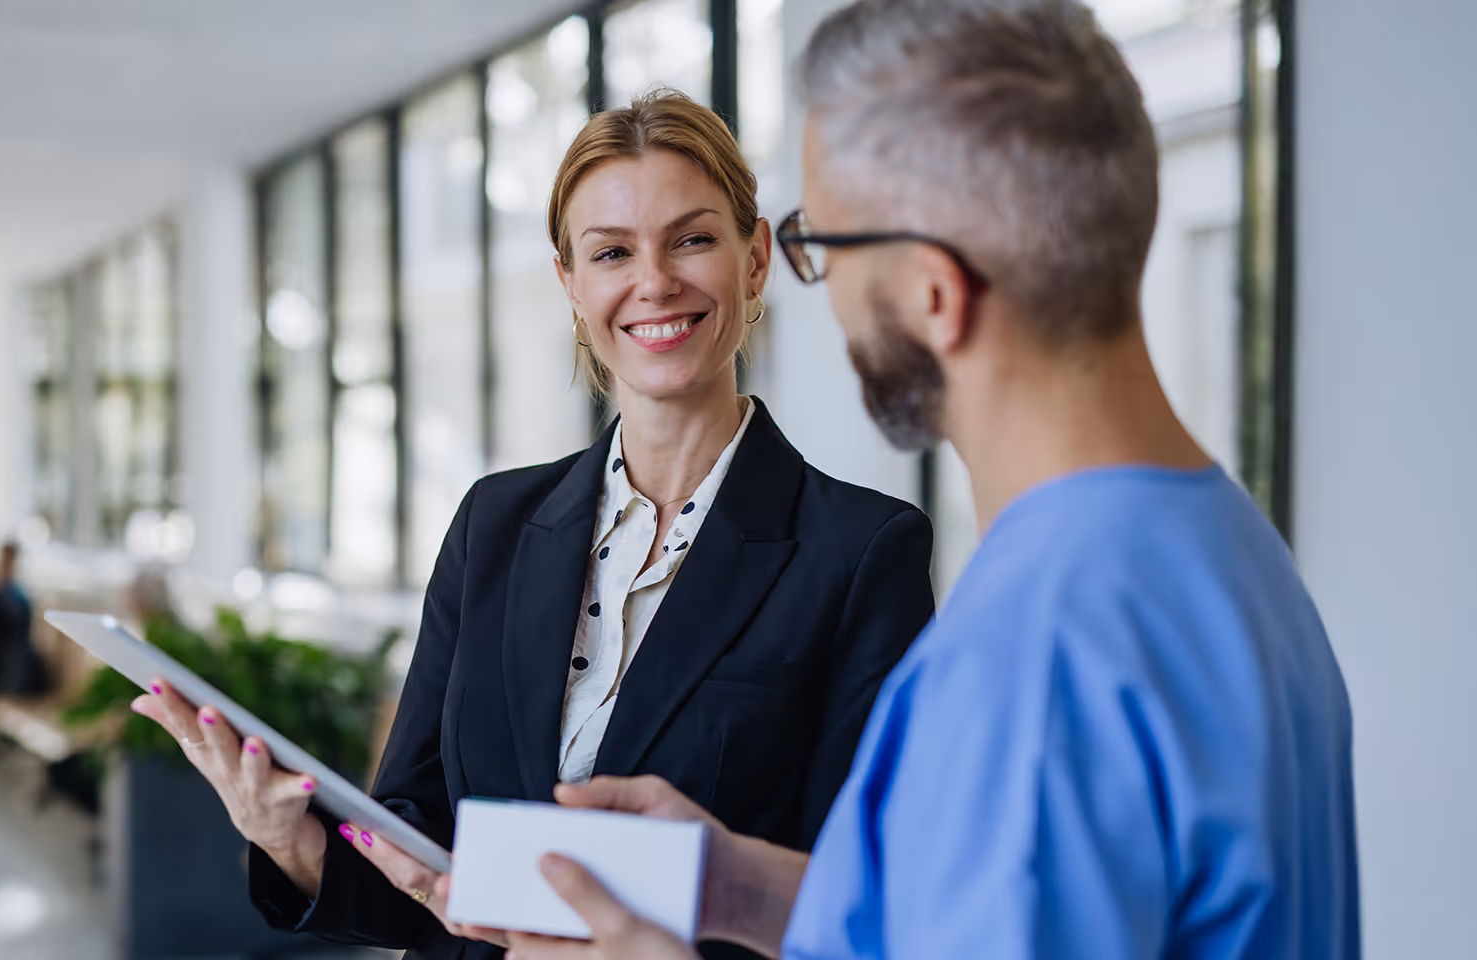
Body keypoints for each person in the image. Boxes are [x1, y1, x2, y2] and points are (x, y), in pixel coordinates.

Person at [505, 2, 1359, 958]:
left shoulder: (1032, 657)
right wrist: (745, 889)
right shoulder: (1222, 550)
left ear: (931, 292)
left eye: (819, 243)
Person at [132, 90, 938, 960]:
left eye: (692, 239)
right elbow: (418, 852)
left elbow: (857, 902)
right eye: (611, 252)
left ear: (753, 261)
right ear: (570, 283)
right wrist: (289, 841)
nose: (653, 281)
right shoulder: (495, 523)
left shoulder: (861, 552)